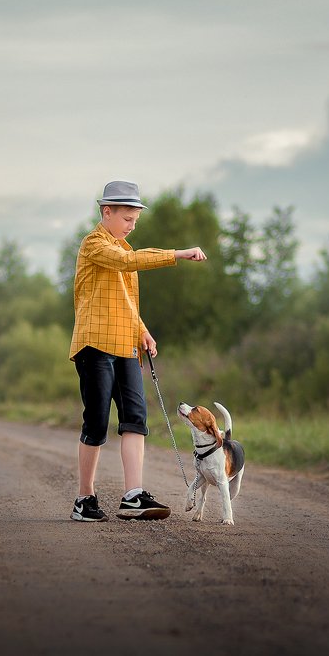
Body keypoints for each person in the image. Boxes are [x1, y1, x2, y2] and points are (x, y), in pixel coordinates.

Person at [69, 180, 208, 522]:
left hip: (126, 346)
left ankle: (133, 496)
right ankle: (84, 499)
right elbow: (127, 263)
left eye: (135, 220)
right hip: (94, 345)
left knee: (135, 418)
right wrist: (177, 254)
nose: (132, 225)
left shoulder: (123, 250)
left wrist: (142, 331)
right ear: (107, 212)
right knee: (97, 422)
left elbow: (126, 303)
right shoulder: (95, 245)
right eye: (128, 218)